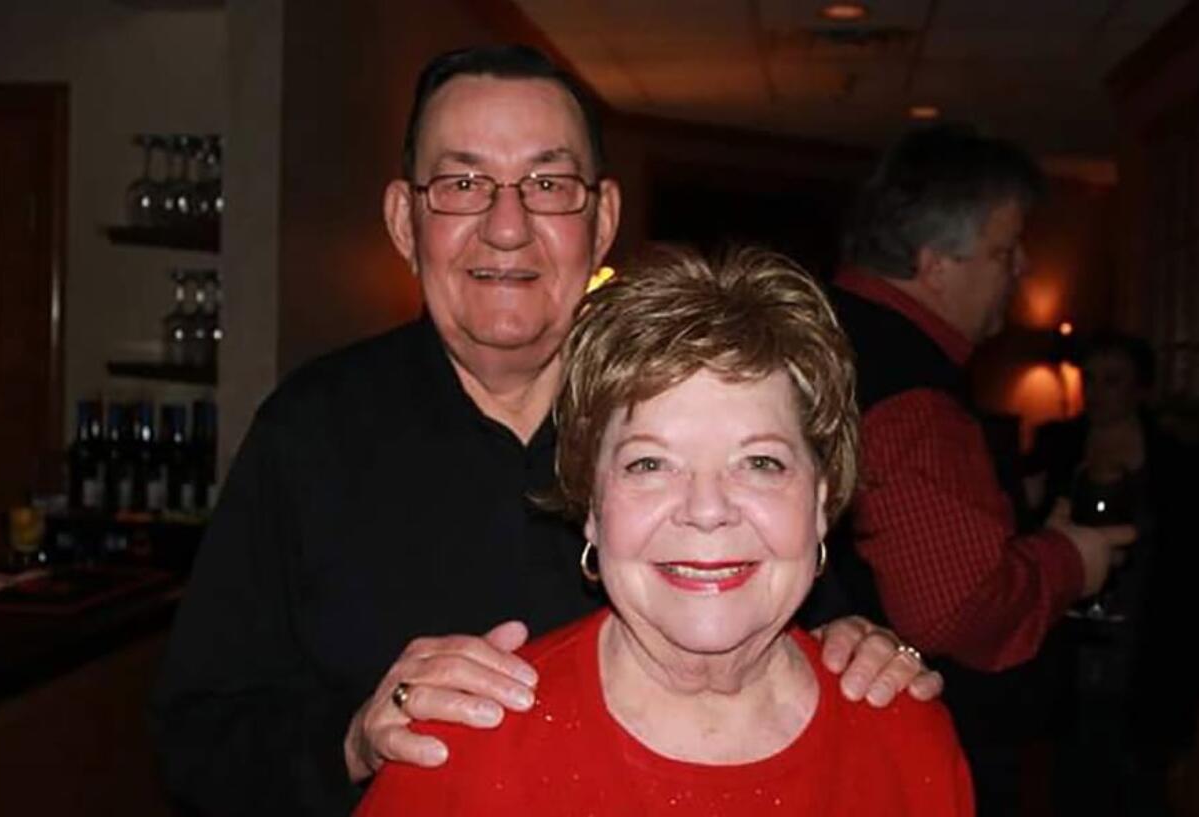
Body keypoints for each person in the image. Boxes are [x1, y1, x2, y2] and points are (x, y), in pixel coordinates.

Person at [151, 45, 942, 817]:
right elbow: (196, 739)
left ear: (601, 220)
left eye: (548, 184)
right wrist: (354, 738)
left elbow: (800, 609)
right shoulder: (309, 432)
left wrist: (864, 647)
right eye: (463, 182)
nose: (506, 225)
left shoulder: (688, 414)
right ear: (404, 219)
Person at [356, 248, 974, 817]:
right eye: (649, 464)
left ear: (819, 502)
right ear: (592, 505)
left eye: (760, 463)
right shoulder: (461, 750)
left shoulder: (905, 738)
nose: (706, 510)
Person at [825, 124, 1137, 816]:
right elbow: (956, 608)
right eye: (1005, 250)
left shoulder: (827, 329)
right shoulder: (909, 389)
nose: (1022, 268)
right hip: (916, 748)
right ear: (936, 265)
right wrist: (1070, 560)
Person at [1025, 331, 1198, 817]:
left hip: (1149, 640)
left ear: (1140, 388)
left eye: (1113, 381)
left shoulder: (1175, 458)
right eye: (1091, 380)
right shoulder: (1057, 444)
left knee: (1140, 785)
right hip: (1071, 643)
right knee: (1071, 779)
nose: (1098, 393)